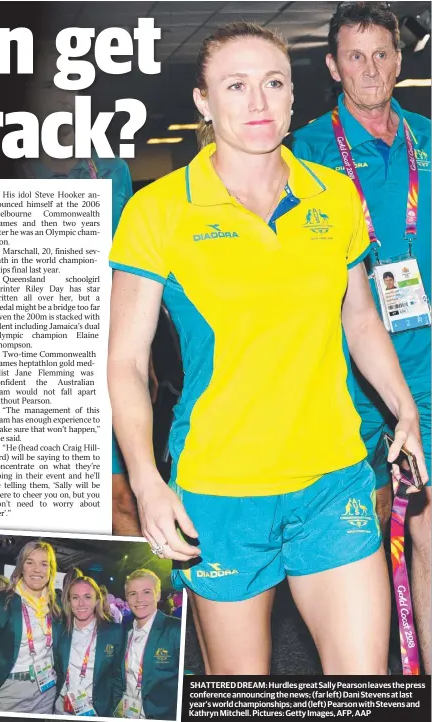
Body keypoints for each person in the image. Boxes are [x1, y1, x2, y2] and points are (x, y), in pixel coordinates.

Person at [107, 20, 428, 675]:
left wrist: (404, 410)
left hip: (330, 481)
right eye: (236, 85)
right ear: (203, 101)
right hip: (219, 494)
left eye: (272, 83)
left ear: (291, 98)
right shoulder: (157, 212)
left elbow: (361, 320)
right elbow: (125, 362)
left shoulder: (333, 195)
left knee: (361, 688)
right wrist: (144, 479)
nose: (256, 102)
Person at [290, 1, 431, 673]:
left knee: (430, 543)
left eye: (382, 54)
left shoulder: (427, 141)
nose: (370, 69)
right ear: (331, 66)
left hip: (426, 374)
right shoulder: (304, 154)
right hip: (342, 378)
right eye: (355, 55)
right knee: (356, 548)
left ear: (400, 61)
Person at [19, 47, 141, 536]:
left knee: (122, 499)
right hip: (33, 359)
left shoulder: (110, 169)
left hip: (110, 351)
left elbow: (132, 263)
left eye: (68, 90)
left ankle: (159, 608)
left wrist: (144, 353)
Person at [0, 541, 61, 712]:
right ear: (21, 567)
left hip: (47, 690)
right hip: (10, 691)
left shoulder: (58, 605)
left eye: (44, 564)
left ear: (50, 570)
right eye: (30, 562)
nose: (36, 569)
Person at [54, 576, 123, 717]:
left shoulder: (114, 632)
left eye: (87, 597)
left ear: (97, 600)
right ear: (69, 601)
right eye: (75, 597)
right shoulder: (59, 630)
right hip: (62, 708)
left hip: (95, 710)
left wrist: (114, 712)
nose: (81, 603)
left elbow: (118, 677)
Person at [119, 570, 180, 719]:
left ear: (158, 595)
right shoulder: (124, 632)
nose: (139, 599)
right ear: (127, 598)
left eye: (146, 592)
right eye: (133, 593)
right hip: (125, 713)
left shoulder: (175, 629)